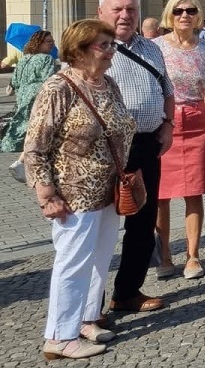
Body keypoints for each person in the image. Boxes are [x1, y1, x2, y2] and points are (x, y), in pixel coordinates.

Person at [24, 19, 134, 360]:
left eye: (112, 45)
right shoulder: (58, 88)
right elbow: (35, 148)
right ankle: (58, 336)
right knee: (72, 262)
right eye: (105, 46)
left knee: (100, 258)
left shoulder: (108, 84)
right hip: (73, 193)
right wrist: (46, 194)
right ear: (80, 50)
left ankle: (86, 318)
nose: (112, 52)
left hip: (109, 189)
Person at [98, 0, 173, 316]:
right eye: (117, 9)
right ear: (101, 12)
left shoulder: (152, 48)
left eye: (130, 9)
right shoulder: (93, 47)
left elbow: (167, 88)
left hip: (146, 144)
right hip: (106, 150)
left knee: (143, 221)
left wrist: (168, 124)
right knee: (100, 227)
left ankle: (127, 291)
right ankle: (88, 308)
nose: (125, 15)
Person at [153, 0, 205, 282]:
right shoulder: (155, 48)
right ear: (170, 14)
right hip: (165, 124)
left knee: (194, 192)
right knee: (161, 196)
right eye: (178, 11)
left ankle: (193, 255)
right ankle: (164, 255)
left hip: (198, 123)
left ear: (198, 14)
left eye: (190, 10)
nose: (184, 16)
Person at [2, 30, 56, 158]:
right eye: (48, 42)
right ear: (39, 43)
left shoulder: (23, 59)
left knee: (20, 121)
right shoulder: (47, 59)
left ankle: (9, 144)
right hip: (36, 96)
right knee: (34, 123)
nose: (52, 44)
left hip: (21, 96)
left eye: (52, 41)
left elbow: (14, 81)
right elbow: (48, 80)